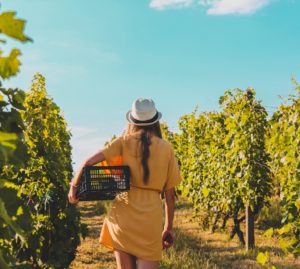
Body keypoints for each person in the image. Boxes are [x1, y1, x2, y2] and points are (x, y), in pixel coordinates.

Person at [68, 98, 182, 269]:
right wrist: (168, 228)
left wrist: (74, 188)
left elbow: (88, 162)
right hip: (149, 221)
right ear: (155, 121)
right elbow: (170, 195)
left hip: (123, 217)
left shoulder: (123, 141)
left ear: (133, 120)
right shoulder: (166, 148)